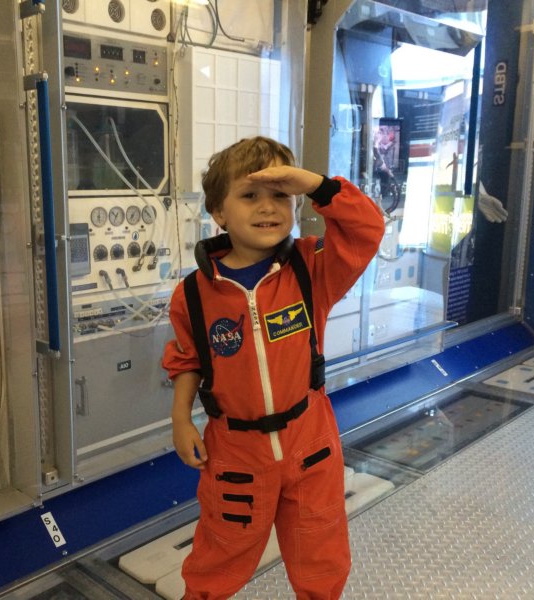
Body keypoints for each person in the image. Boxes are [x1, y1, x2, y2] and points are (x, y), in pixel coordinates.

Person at [162, 136, 385, 599]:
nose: (268, 207)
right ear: (218, 212)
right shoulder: (193, 294)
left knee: (321, 558)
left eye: (281, 195)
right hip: (236, 453)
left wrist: (315, 184)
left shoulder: (311, 268)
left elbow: (366, 229)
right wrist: (181, 417)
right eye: (250, 195)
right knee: (217, 560)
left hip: (311, 444)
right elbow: (187, 359)